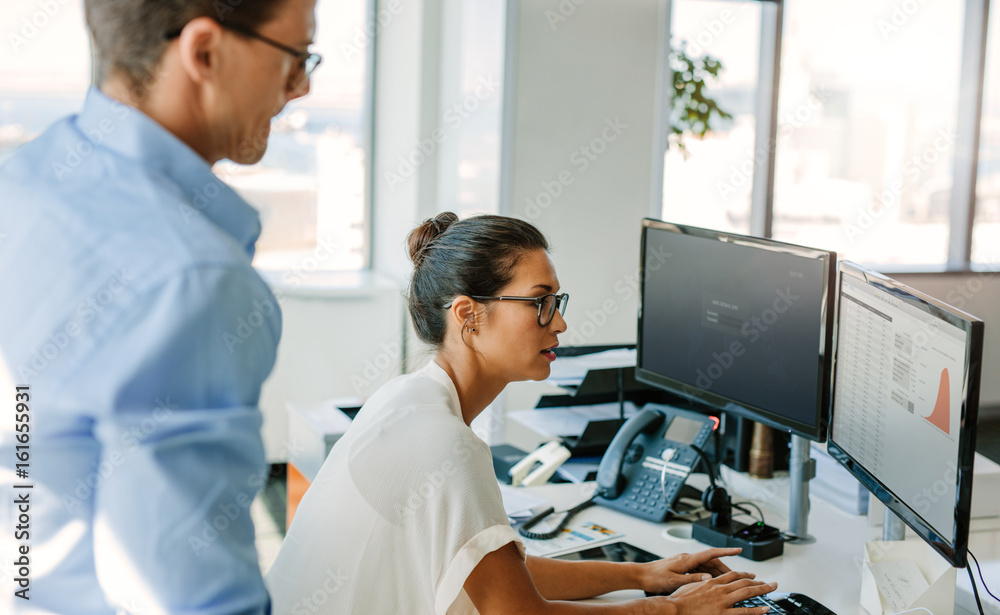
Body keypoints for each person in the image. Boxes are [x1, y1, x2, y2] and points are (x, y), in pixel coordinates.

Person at [265, 212, 776, 614]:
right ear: (469, 315)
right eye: (541, 302)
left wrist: (644, 575)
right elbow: (519, 611)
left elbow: (502, 575)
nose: (561, 323)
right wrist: (672, 612)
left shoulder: (406, 399)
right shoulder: (441, 443)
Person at [0, 0, 320, 612]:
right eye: (295, 57)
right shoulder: (190, 279)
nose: (302, 87)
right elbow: (190, 599)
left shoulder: (25, 181)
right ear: (203, 52)